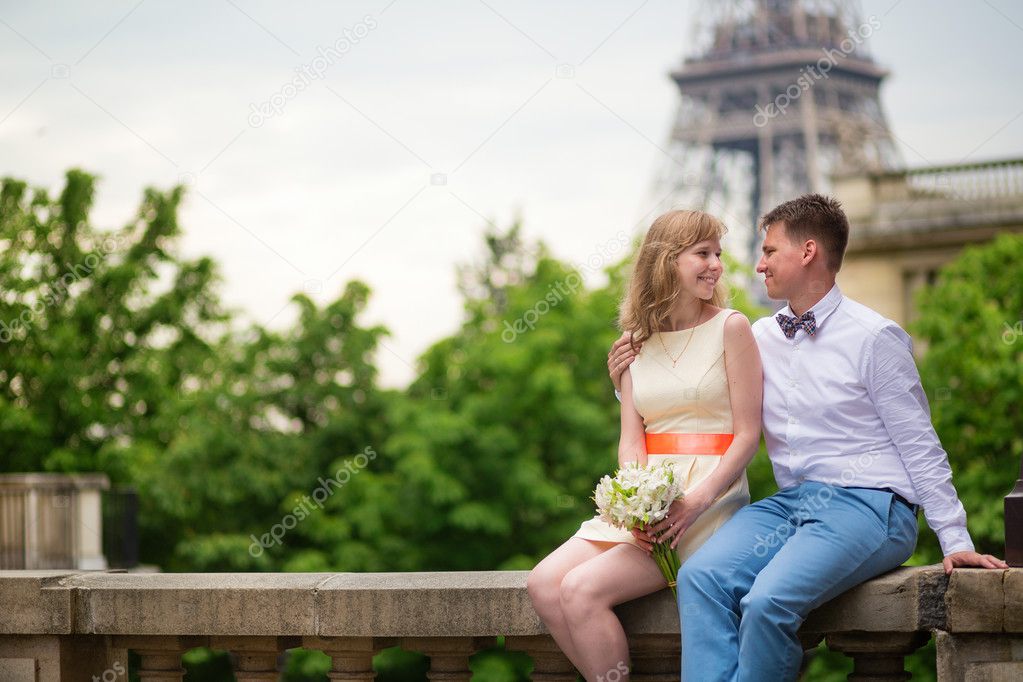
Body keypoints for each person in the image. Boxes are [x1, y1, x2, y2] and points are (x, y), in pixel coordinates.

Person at [607, 193, 1009, 681]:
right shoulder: (757, 335)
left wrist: (954, 537)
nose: (757, 266)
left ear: (808, 252)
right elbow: (695, 397)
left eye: (770, 251)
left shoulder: (874, 337)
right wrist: (624, 385)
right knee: (701, 577)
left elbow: (920, 446)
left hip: (872, 506)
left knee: (767, 602)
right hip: (790, 506)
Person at [527, 209, 763, 682]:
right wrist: (634, 507)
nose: (716, 264)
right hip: (648, 501)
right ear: (665, 261)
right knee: (543, 583)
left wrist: (693, 502)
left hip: (706, 501)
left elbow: (747, 435)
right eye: (702, 253)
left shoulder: (732, 328)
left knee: (581, 591)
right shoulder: (633, 343)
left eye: (717, 253)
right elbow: (632, 439)